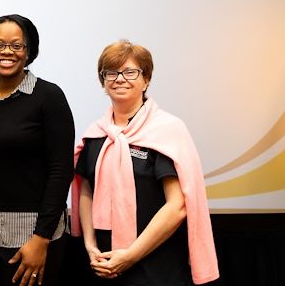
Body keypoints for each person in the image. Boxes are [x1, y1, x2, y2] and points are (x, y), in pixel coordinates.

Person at [71, 39, 219, 285]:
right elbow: (86, 190)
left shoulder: (167, 130)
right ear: (103, 82)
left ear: (146, 80)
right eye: (111, 73)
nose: (120, 79)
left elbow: (177, 206)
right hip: (103, 263)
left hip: (157, 266)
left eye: (130, 72)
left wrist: (131, 255)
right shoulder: (96, 134)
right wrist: (90, 245)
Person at [0, 14, 75, 286]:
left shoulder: (49, 97)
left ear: (29, 51)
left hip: (33, 238)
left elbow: (61, 171)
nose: (6, 52)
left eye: (16, 45)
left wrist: (41, 238)